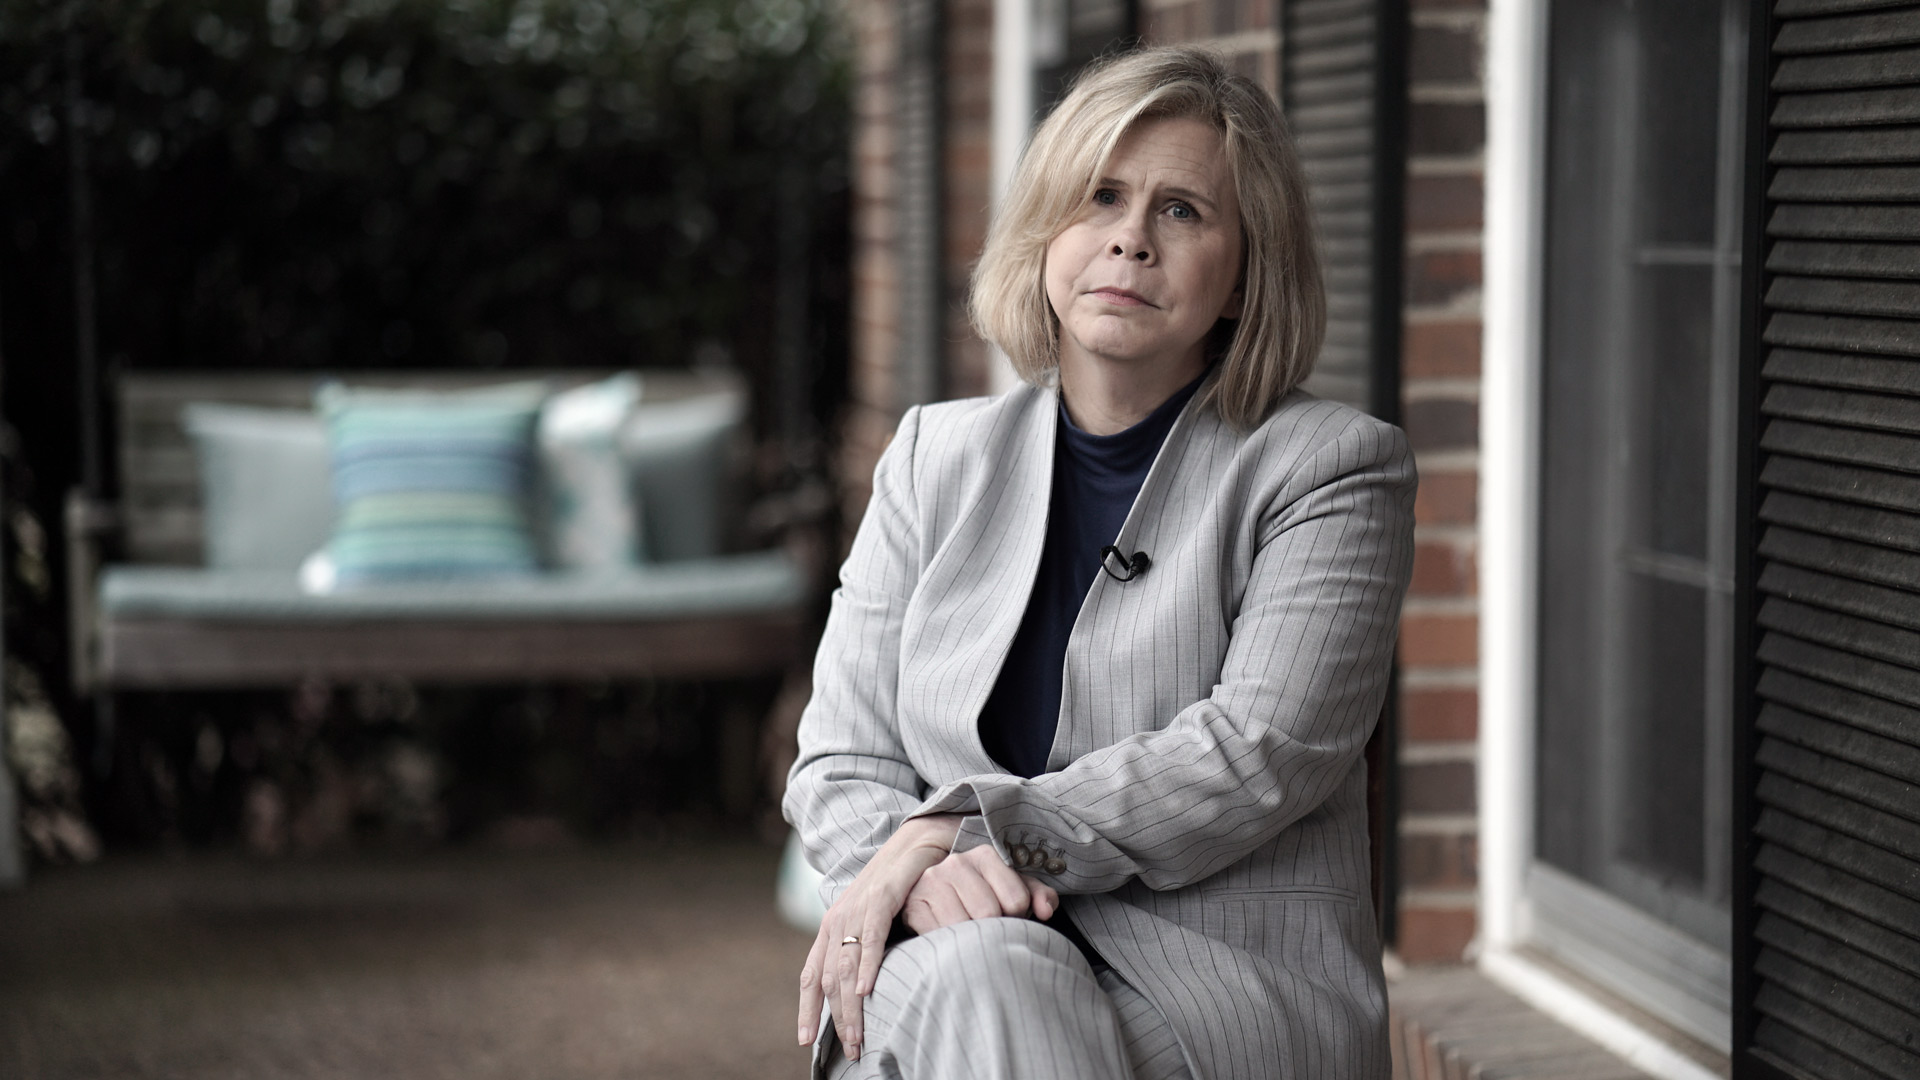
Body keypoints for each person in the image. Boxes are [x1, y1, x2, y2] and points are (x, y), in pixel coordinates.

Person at [783, 44, 1416, 1080]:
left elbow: (1259, 750)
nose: (1130, 238)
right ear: (1045, 232)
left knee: (987, 1000)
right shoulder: (933, 458)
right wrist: (908, 873)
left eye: (1183, 211)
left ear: (1246, 274)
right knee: (987, 979)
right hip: (958, 950)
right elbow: (843, 759)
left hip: (1208, 988)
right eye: (1101, 198)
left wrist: (966, 832)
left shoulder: (1331, 468)